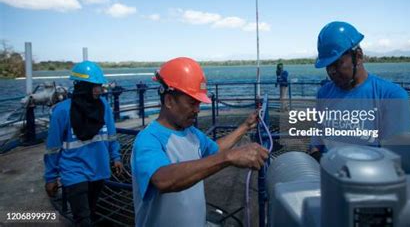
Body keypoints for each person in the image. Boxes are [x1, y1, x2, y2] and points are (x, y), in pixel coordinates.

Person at [131, 57, 269, 227]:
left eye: (198, 103)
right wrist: (229, 157)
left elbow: (215, 149)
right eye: (192, 102)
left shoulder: (192, 133)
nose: (197, 109)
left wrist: (245, 126)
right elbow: (163, 179)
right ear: (169, 101)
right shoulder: (148, 139)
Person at [309, 21, 410, 160]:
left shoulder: (391, 96)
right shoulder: (324, 93)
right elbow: (317, 137)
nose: (332, 71)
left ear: (358, 56)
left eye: (337, 63)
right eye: (328, 66)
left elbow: (396, 156)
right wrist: (315, 155)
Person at [44, 61, 124, 226]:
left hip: (99, 170)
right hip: (74, 172)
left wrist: (116, 157)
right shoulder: (62, 111)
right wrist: (51, 177)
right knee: (83, 219)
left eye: (100, 86)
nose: (100, 90)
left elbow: (111, 135)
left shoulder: (103, 107)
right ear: (82, 86)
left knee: (92, 211)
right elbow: (53, 148)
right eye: (95, 86)